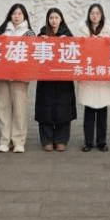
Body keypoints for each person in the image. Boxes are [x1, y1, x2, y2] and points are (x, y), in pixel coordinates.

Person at [76, 3, 110, 152]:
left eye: (97, 14)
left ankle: (102, 141)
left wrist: (106, 41)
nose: (95, 16)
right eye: (92, 13)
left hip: (103, 76)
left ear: (102, 16)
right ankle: (88, 142)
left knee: (102, 111)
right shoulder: (81, 31)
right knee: (89, 111)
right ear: (88, 15)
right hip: (88, 75)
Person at [0, 3, 35, 153]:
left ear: (24, 16)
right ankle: (5, 140)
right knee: (3, 107)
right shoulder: (2, 32)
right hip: (3, 75)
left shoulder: (29, 33)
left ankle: (18, 140)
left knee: (19, 108)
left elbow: (32, 54)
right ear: (10, 15)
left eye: (19, 14)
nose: (16, 16)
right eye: (14, 13)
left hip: (20, 76)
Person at [34, 8, 77, 152]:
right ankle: (46, 139)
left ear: (61, 19)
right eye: (51, 18)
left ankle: (61, 139)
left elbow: (76, 54)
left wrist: (67, 43)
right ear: (48, 19)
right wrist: (41, 42)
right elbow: (33, 54)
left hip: (63, 79)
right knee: (45, 108)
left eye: (56, 17)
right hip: (45, 79)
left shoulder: (68, 35)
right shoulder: (42, 34)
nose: (54, 20)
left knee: (63, 108)